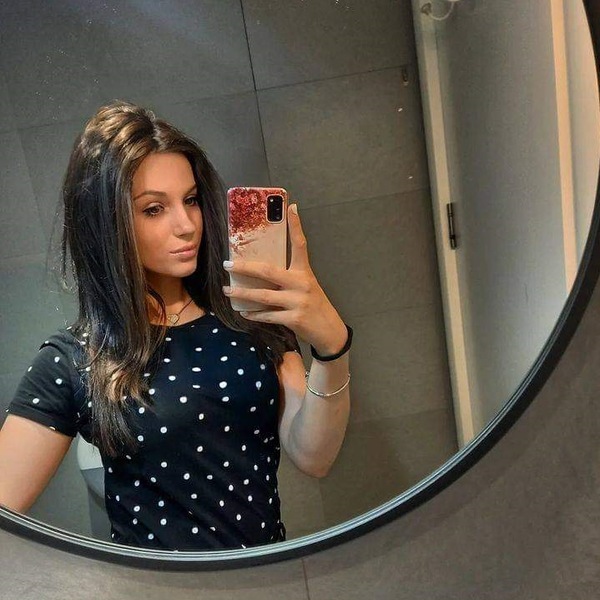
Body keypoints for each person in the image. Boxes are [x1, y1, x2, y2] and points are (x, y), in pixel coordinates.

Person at [0, 101, 352, 551]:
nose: (186, 225)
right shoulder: (75, 359)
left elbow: (314, 457)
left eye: (190, 200)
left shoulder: (251, 320)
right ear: (106, 223)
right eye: (153, 209)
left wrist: (332, 347)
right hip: (153, 584)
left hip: (268, 577)